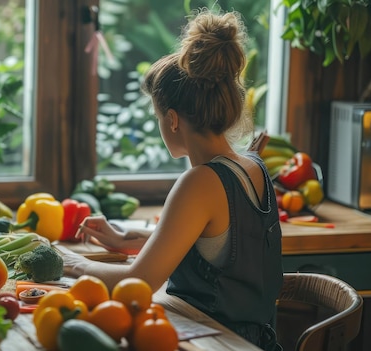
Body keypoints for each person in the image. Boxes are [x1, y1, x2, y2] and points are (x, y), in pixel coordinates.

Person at [61, 8, 283, 351]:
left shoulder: (200, 182)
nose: (160, 126)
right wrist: (126, 240)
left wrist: (72, 262)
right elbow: (214, 245)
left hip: (217, 342)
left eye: (158, 117)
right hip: (254, 340)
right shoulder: (251, 164)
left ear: (174, 120)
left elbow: (137, 282)